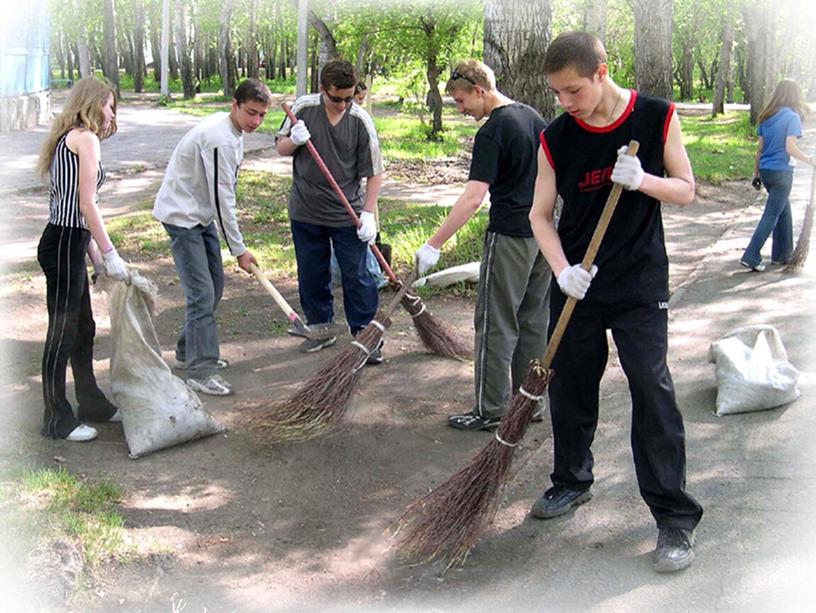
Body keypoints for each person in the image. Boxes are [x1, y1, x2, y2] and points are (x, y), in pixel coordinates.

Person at [528, 31, 704, 573]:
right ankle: (571, 480)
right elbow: (539, 215)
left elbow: (686, 188)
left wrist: (646, 179)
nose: (565, 102)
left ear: (602, 72)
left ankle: (674, 516)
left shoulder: (654, 117)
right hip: (580, 283)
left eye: (574, 90)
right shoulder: (556, 136)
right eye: (557, 92)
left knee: (652, 387)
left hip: (638, 283)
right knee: (573, 385)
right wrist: (562, 272)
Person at [415, 59, 551, 431]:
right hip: (543, 236)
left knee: (495, 324)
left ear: (479, 90)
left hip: (509, 237)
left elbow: (474, 197)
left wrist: (435, 243)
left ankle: (490, 410)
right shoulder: (532, 117)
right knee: (534, 322)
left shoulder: (493, 131)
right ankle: (532, 405)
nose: (460, 111)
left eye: (461, 102)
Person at [153, 78, 271, 396]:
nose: (256, 121)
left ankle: (185, 351)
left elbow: (223, 192)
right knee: (201, 294)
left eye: (261, 115)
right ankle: (200, 371)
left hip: (200, 214)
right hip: (182, 217)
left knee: (214, 286)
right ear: (234, 104)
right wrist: (239, 250)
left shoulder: (235, 131)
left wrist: (235, 246)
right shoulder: (218, 137)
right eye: (251, 113)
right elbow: (223, 199)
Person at [35, 76, 127, 442]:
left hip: (69, 242)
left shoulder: (68, 137)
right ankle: (56, 418)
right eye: (108, 104)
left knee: (83, 328)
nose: (111, 113)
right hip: (62, 245)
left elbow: (75, 209)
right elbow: (86, 204)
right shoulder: (85, 139)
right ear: (92, 103)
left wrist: (95, 257)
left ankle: (91, 403)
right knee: (63, 332)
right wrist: (109, 252)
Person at [276, 59, 384, 362]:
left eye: (348, 98)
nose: (342, 104)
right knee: (312, 273)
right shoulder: (303, 108)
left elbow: (375, 172)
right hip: (305, 210)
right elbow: (281, 147)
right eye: (335, 98)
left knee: (358, 276)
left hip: (346, 214)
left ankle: (366, 335)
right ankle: (320, 328)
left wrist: (368, 214)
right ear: (323, 89)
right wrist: (294, 141)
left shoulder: (359, 120)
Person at [741, 79, 814, 272]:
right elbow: (790, 147)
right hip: (782, 172)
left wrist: (755, 174)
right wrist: (810, 159)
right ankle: (751, 255)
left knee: (784, 211)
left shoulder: (767, 117)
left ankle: (782, 255)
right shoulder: (792, 118)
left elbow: (760, 149)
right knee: (772, 213)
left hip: (766, 171)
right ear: (794, 95)